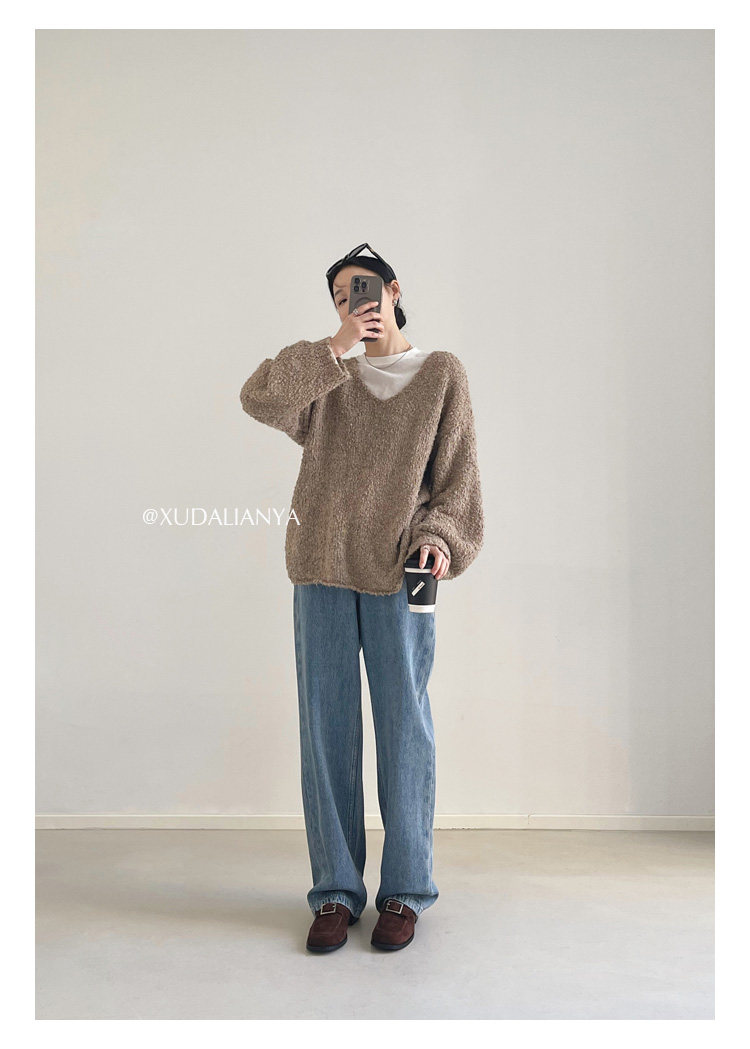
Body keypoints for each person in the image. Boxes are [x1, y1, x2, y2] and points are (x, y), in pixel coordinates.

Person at [239, 243, 484, 952]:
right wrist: (333, 348)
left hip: (399, 570)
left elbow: (458, 482)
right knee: (326, 729)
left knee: (405, 726)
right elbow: (259, 397)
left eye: (365, 287)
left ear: (394, 289)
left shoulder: (441, 373)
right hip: (320, 563)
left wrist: (438, 538)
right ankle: (335, 893)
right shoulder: (329, 377)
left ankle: (405, 889)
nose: (356, 301)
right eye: (343, 294)